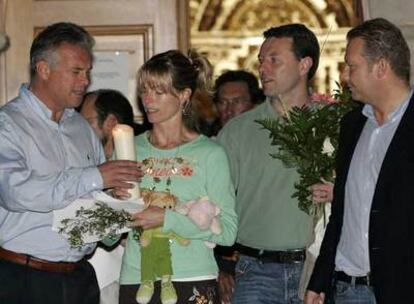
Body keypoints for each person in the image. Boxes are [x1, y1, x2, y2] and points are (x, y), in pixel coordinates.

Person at [0, 22, 141, 304]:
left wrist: (118, 201)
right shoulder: (8, 124)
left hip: (79, 278)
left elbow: (96, 196)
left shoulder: (82, 129)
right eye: (76, 71)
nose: (85, 81)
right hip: (24, 277)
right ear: (43, 69)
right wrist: (95, 178)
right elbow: (16, 192)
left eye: (87, 72)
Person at [305, 18, 413, 304]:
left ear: (381, 67)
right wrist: (320, 279)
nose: (344, 75)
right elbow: (342, 210)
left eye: (351, 66)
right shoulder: (353, 123)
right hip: (346, 288)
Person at [117, 49, 238, 304]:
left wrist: (165, 218)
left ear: (184, 96)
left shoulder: (210, 154)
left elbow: (227, 232)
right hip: (137, 278)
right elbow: (109, 234)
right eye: (144, 90)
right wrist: (113, 203)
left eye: (158, 91)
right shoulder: (129, 147)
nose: (148, 99)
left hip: (191, 278)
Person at [217, 23, 320, 303]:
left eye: (274, 60)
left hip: (319, 270)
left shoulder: (332, 123)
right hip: (256, 270)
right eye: (261, 61)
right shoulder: (238, 131)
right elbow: (212, 203)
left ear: (304, 65)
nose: (263, 68)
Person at [80, 88, 143, 304]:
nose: (78, 129)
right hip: (83, 277)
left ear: (110, 122)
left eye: (85, 122)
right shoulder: (81, 163)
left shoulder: (139, 161)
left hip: (121, 274)